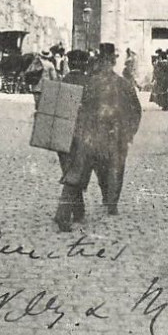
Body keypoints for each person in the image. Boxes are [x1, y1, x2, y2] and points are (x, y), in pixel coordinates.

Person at [54, 43, 142, 229]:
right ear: (113, 62)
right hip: (113, 136)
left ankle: (70, 213)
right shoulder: (123, 84)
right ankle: (110, 205)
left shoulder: (90, 82)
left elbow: (75, 108)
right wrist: (129, 132)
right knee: (114, 169)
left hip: (89, 136)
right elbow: (136, 110)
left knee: (78, 173)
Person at [56, 49, 90, 180]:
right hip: (85, 127)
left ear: (70, 64)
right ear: (85, 64)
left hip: (67, 126)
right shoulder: (89, 80)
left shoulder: (65, 80)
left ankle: (68, 175)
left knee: (65, 154)